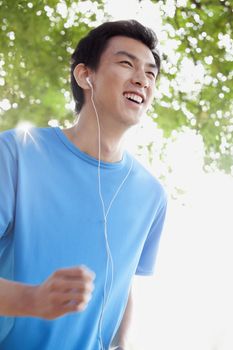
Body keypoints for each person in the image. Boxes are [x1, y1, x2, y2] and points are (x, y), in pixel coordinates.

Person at [0, 19, 167, 350]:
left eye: (150, 73)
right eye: (125, 63)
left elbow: (121, 286)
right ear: (85, 75)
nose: (142, 79)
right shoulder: (16, 153)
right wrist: (31, 299)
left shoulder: (152, 196)